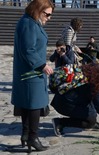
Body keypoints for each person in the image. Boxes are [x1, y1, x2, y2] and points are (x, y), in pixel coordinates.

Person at [11, 0, 54, 153]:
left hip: (29, 71)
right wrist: (42, 65)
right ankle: (33, 138)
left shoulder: (30, 22)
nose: (49, 18)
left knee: (28, 104)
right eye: (47, 14)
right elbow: (28, 49)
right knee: (35, 104)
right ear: (38, 10)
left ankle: (26, 134)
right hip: (31, 72)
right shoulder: (28, 24)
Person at [51, 63, 99, 137]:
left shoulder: (96, 73)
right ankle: (60, 122)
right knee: (90, 120)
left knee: (92, 109)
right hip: (64, 104)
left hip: (61, 98)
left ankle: (91, 122)